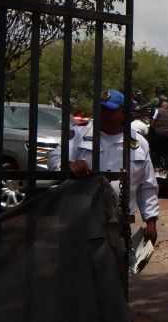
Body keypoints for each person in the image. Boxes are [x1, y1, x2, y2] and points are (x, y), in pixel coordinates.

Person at [47, 89, 159, 245]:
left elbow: (147, 186)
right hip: (79, 219)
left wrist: (151, 221)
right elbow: (53, 159)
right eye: (101, 109)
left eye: (110, 111)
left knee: (115, 267)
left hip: (118, 223)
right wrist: (68, 164)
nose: (103, 114)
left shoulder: (139, 143)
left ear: (124, 113)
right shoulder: (80, 133)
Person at [151, 100, 168, 171]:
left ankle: (158, 166)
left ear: (161, 105)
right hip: (167, 133)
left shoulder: (158, 111)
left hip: (158, 133)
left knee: (157, 151)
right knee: (167, 151)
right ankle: (167, 167)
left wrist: (155, 128)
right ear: (167, 106)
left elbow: (153, 121)